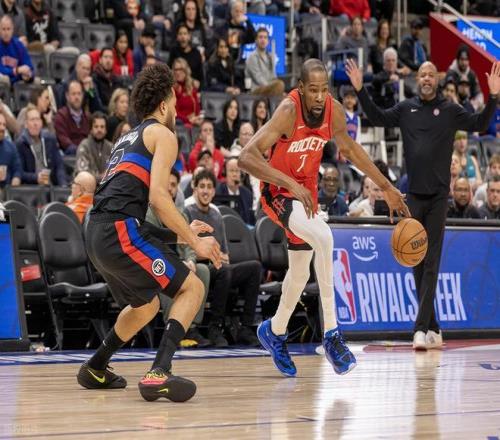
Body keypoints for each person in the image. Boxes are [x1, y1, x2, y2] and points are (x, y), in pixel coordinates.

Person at [238, 58, 409, 376]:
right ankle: (332, 334)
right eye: (313, 90)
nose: (319, 97)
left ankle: (274, 330)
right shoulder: (288, 111)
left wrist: (386, 187)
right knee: (325, 236)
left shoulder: (334, 111)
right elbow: (246, 157)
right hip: (279, 192)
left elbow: (352, 150)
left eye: (324, 90)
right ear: (301, 88)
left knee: (300, 273)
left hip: (306, 195)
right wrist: (290, 184)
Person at [77, 63, 221, 403]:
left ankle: (95, 366)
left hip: (96, 233)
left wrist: (179, 234)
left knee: (146, 305)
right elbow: (158, 197)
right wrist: (195, 242)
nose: (177, 111)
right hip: (117, 231)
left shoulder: (126, 138)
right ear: (164, 104)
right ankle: (159, 372)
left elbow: (127, 212)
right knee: (193, 287)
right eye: (174, 102)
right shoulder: (163, 135)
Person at [346, 58, 499, 350]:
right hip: (413, 195)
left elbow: (480, 124)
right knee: (415, 259)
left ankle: (419, 329)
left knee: (431, 262)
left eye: (431, 74)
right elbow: (378, 118)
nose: (426, 78)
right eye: (422, 75)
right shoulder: (406, 109)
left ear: (437, 79)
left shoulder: (451, 110)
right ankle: (434, 327)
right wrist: (360, 89)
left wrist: (493, 96)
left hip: (439, 197)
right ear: (417, 80)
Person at [185, 169, 261, 347]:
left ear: (214, 191)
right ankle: (215, 327)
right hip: (199, 267)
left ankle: (245, 327)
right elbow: (187, 250)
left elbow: (225, 252)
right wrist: (210, 255)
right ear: (195, 189)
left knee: (254, 268)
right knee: (224, 270)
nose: (205, 191)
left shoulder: (216, 214)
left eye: (209, 187)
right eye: (202, 186)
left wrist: (222, 256)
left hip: (219, 266)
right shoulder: (188, 212)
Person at [145, 167, 212, 348]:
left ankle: (192, 327)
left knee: (203, 270)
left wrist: (190, 260)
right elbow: (153, 245)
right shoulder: (147, 213)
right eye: (166, 184)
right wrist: (180, 263)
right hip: (154, 263)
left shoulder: (179, 214)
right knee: (168, 271)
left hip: (180, 262)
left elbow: (190, 243)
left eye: (173, 185)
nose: (169, 188)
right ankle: (173, 329)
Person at [17, 105, 67, 186]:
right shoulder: (21, 144)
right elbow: (19, 173)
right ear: (26, 124)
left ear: (41, 123)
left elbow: (59, 165)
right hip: (32, 187)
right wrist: (36, 177)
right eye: (32, 120)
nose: (35, 123)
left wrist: (63, 185)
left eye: (37, 119)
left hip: (51, 185)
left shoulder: (50, 139)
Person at [244, 27, 285, 97]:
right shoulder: (252, 57)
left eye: (265, 37)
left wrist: (279, 91)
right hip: (256, 90)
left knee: (288, 94)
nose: (263, 40)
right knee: (280, 84)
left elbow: (273, 77)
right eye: (260, 37)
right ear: (256, 40)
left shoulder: (270, 56)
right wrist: (273, 87)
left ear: (268, 41)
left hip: (269, 88)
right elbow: (258, 78)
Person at [54, 80, 90, 155]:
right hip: (69, 155)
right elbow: (64, 141)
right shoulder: (61, 116)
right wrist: (81, 151)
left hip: (86, 154)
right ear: (67, 96)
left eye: (79, 94)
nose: (77, 97)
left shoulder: (87, 117)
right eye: (73, 94)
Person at [216, 157, 255, 225]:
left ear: (241, 174)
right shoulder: (218, 192)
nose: (234, 174)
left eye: (237, 171)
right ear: (225, 173)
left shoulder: (248, 194)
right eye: (231, 171)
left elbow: (250, 220)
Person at [75, 112, 113, 181]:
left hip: (106, 185)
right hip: (86, 184)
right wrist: (101, 177)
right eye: (96, 126)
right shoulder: (84, 146)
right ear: (91, 129)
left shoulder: (110, 147)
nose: (99, 130)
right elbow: (82, 172)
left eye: (102, 127)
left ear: (106, 130)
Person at [446, 45, 483, 111]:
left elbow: (479, 94)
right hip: (454, 106)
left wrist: (474, 105)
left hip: (468, 106)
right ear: (457, 60)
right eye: (462, 59)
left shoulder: (471, 74)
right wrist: (459, 106)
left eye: (466, 59)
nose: (464, 63)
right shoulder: (451, 73)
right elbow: (449, 94)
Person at [0, 14, 33, 84]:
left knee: (36, 81)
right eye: (3, 29)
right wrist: (17, 70)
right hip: (3, 81)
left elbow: (28, 66)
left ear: (12, 30)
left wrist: (28, 75)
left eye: (8, 29)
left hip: (17, 81)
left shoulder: (18, 45)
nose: (6, 32)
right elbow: (1, 69)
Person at [0, 112, 21, 189]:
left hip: (7, 190)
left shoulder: (11, 146)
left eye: (4, 125)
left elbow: (17, 169)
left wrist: (16, 178)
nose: (2, 128)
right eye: (0, 124)